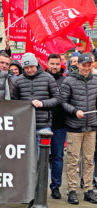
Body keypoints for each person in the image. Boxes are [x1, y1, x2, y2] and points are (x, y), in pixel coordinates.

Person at [61, 53, 97, 205]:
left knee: (89, 160)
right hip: (74, 127)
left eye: (89, 65)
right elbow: (63, 102)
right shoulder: (68, 81)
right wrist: (75, 111)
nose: (86, 68)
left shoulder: (96, 81)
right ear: (78, 65)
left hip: (91, 127)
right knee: (72, 161)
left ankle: (89, 189)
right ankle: (72, 191)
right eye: (84, 65)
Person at [12, 53, 60, 153]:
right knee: (27, 155)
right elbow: (14, 102)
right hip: (25, 124)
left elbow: (57, 99)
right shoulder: (18, 81)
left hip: (43, 124)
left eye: (32, 67)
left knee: (43, 155)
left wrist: (42, 103)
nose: (29, 70)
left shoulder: (48, 78)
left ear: (36, 65)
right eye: (26, 67)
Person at [45, 54, 67, 199]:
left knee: (57, 157)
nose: (54, 66)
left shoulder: (65, 81)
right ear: (47, 63)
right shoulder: (41, 79)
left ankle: (55, 186)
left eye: (57, 64)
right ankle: (39, 187)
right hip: (42, 125)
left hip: (60, 125)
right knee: (40, 158)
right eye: (52, 63)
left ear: (61, 65)